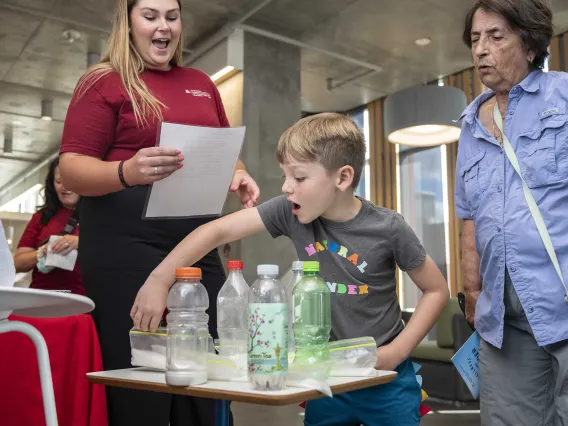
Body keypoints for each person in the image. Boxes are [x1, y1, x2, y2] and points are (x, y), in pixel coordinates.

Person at [132, 112, 449, 425]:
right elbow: (216, 232)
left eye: (298, 177)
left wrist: (396, 351)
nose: (286, 187)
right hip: (325, 377)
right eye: (285, 175)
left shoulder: (388, 227)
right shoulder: (290, 211)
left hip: (386, 379)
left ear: (342, 178)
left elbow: (436, 290)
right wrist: (160, 279)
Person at [58, 0, 259, 425]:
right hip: (122, 249)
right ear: (128, 22)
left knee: (209, 368)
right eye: (150, 16)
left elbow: (223, 151)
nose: (163, 26)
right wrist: (126, 171)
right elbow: (72, 168)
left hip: (194, 244)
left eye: (172, 16)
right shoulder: (103, 82)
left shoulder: (201, 83)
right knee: (140, 376)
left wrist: (237, 173)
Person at [456, 0, 568, 424]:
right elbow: (468, 215)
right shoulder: (468, 126)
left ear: (530, 46)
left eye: (496, 36)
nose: (481, 49)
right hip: (502, 321)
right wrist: (472, 289)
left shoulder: (564, 97)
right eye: (475, 39)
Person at [13, 157, 84, 295]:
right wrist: (42, 252)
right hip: (41, 297)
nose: (65, 187)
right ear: (52, 184)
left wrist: (80, 242)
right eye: (59, 181)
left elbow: (116, 251)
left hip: (81, 301)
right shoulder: (42, 217)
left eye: (70, 181)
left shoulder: (98, 218)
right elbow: (17, 264)